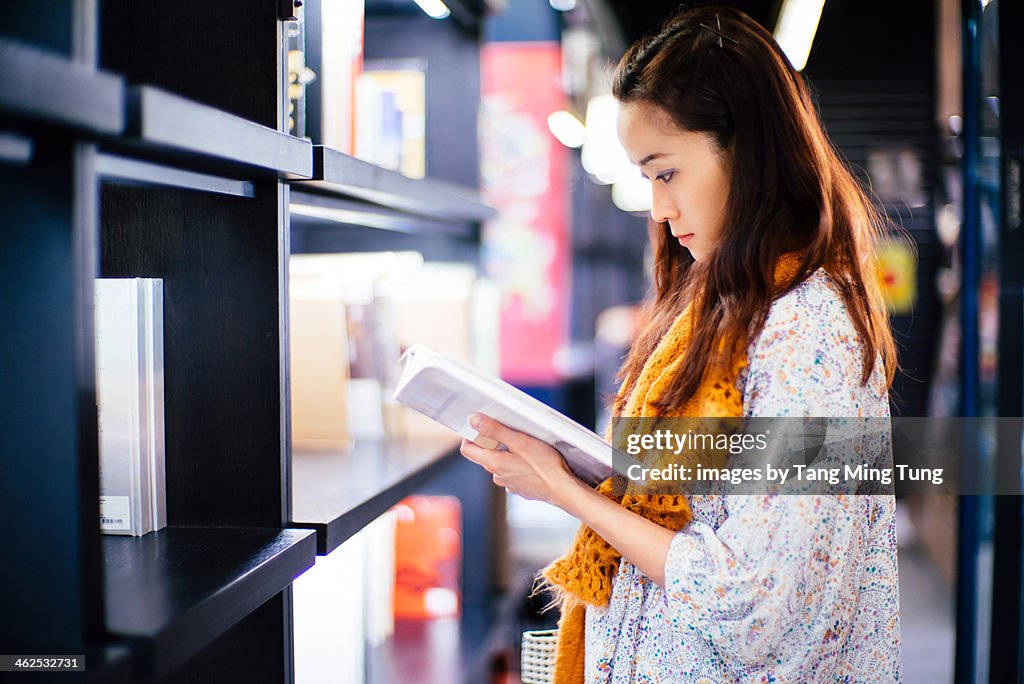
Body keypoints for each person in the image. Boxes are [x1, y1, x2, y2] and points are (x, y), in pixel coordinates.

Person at [460, 5, 902, 682]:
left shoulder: (806, 330)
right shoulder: (718, 306)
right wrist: (584, 472)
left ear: (746, 152)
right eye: (647, 180)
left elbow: (757, 601)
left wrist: (566, 492)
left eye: (666, 173)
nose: (660, 212)